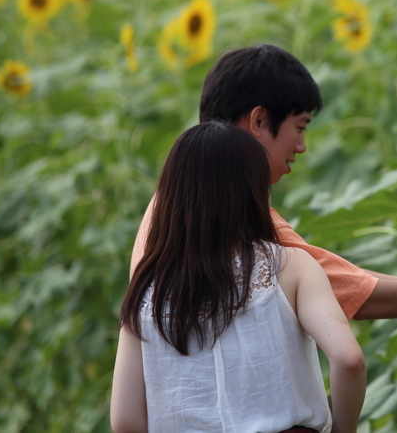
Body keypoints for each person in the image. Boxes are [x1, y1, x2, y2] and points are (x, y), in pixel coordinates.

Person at [130, 44, 397, 321]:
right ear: (258, 121)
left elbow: (346, 281)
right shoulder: (230, 210)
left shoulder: (179, 201)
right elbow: (351, 294)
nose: (302, 147)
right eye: (299, 127)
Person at [111, 121, 366, 433]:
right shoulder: (290, 266)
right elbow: (349, 360)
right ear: (252, 190)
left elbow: (125, 421)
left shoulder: (146, 291)